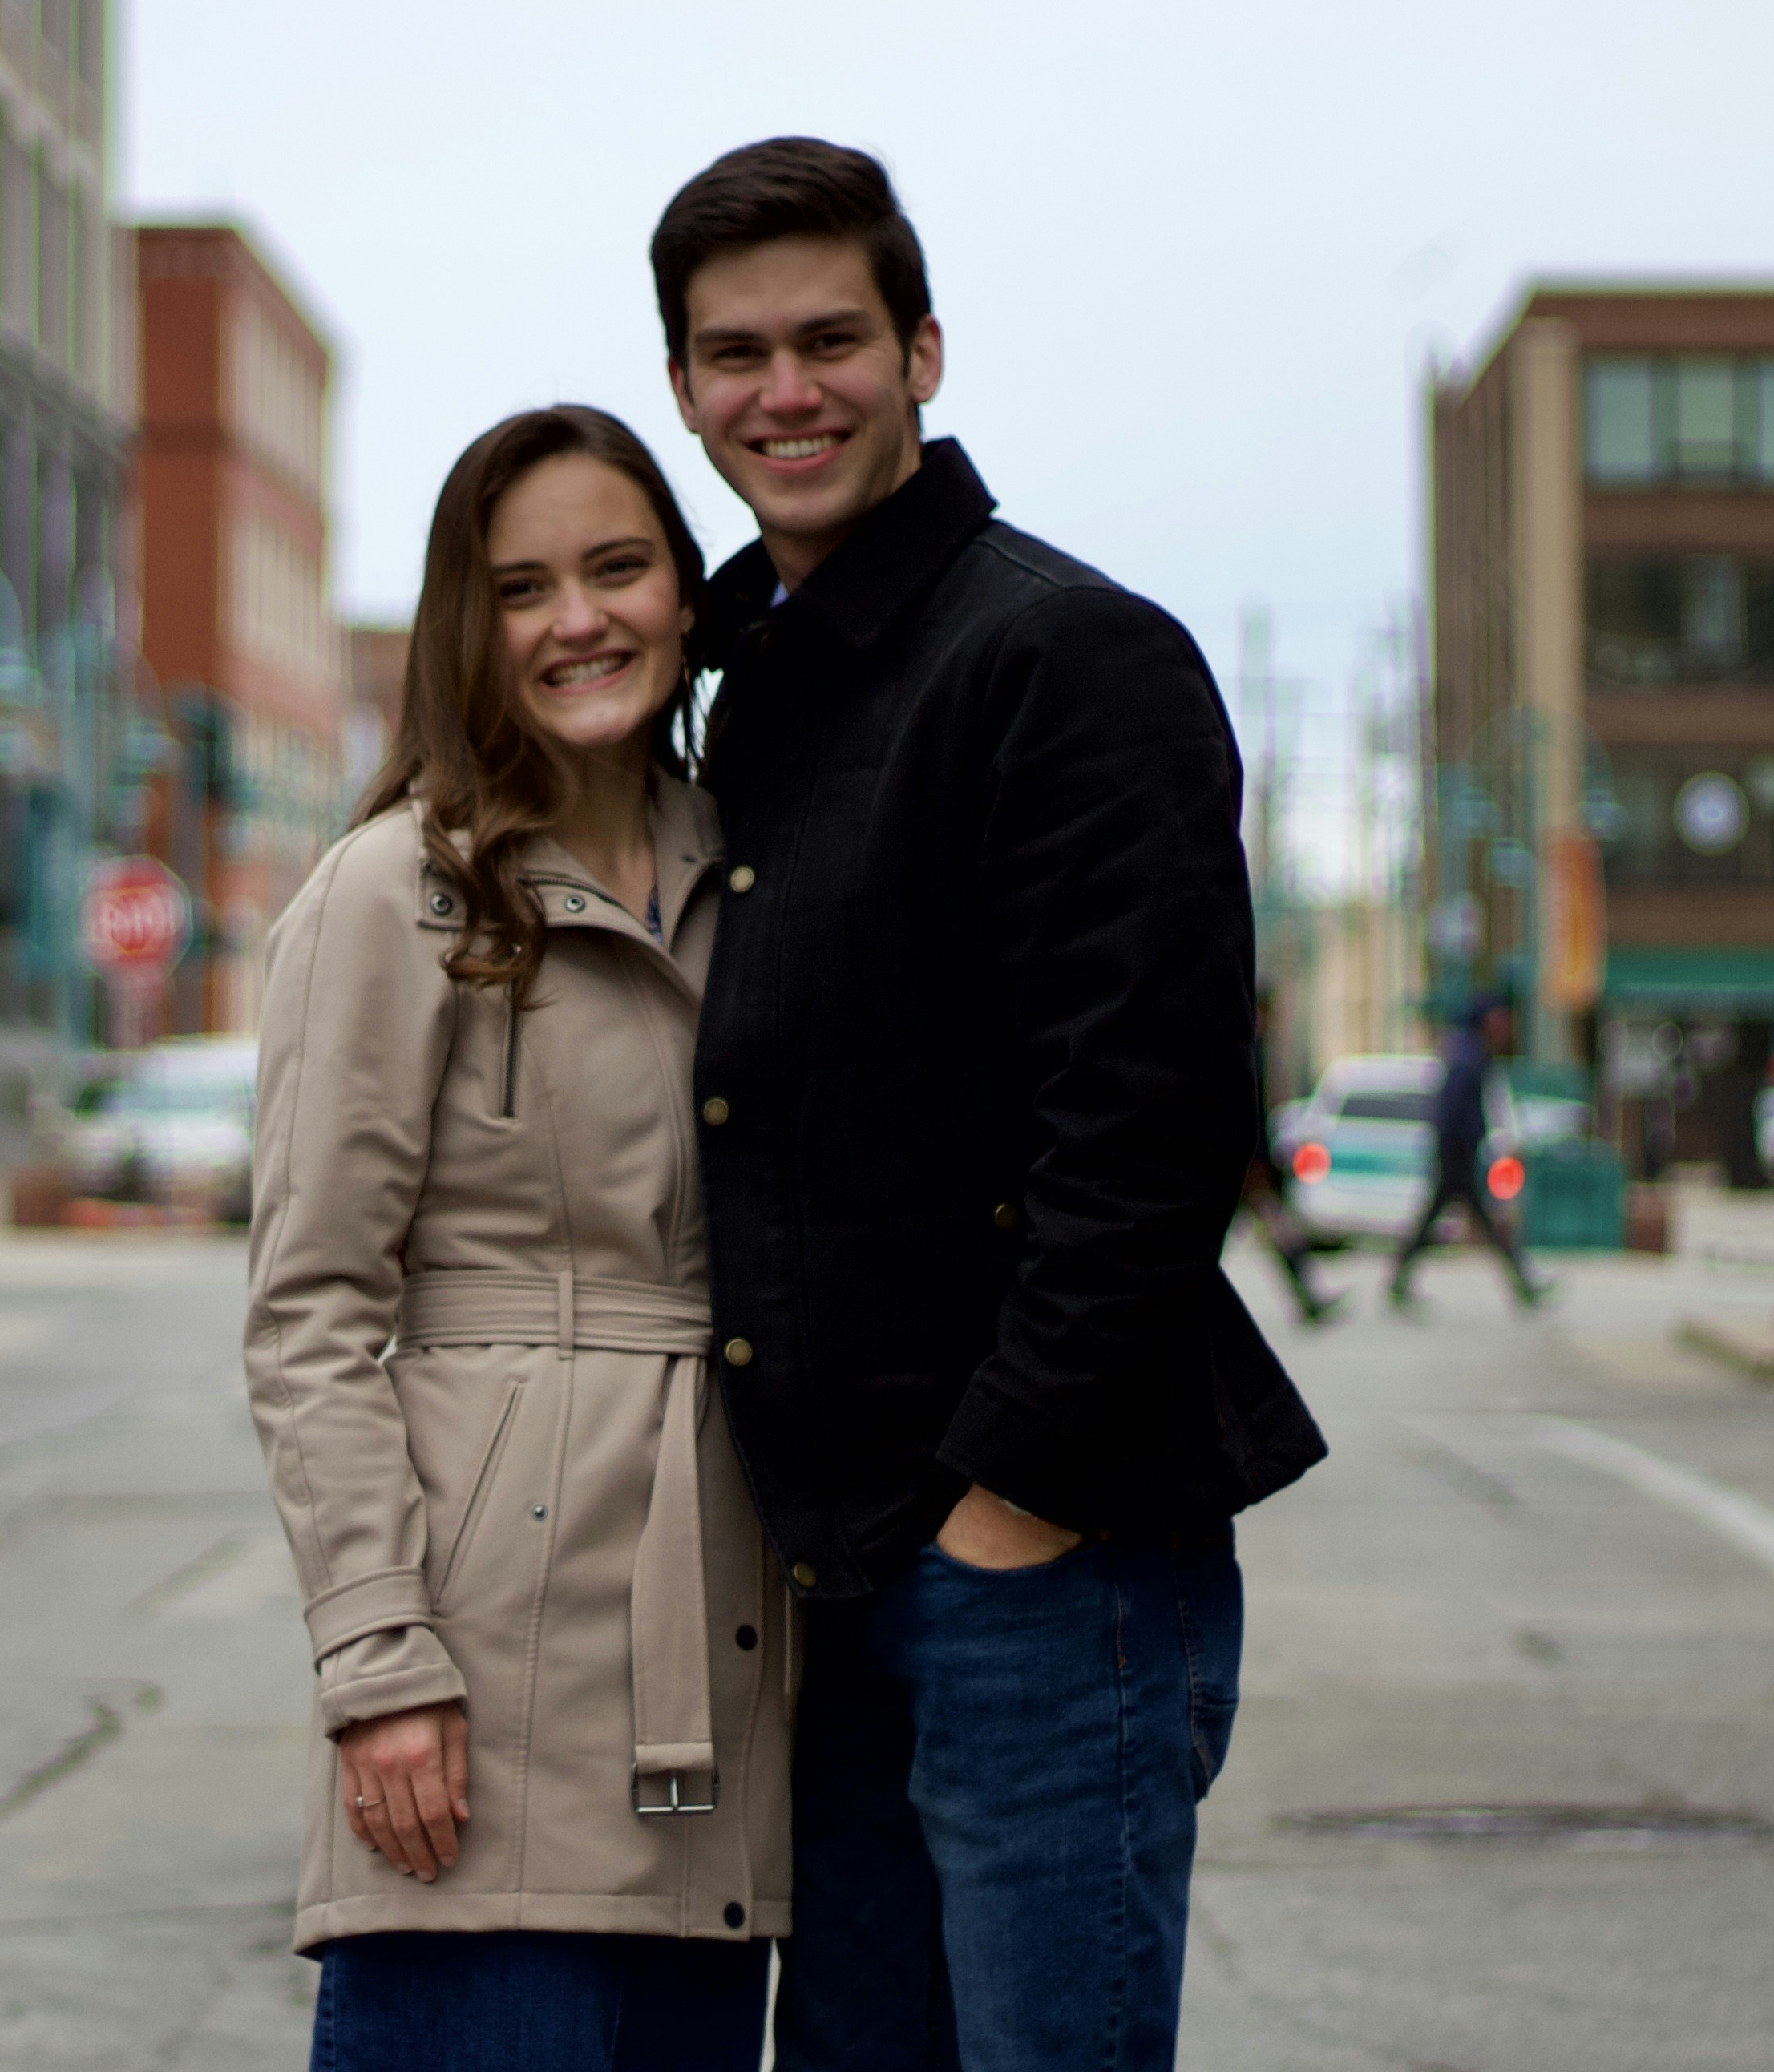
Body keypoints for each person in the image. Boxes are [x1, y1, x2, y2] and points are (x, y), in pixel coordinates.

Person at [651, 139, 1328, 2070]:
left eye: (828, 340)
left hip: (1044, 1564)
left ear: (922, 352)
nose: (783, 391)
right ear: (685, 386)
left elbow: (1153, 1111)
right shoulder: (749, 686)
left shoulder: (1063, 656)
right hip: (838, 1571)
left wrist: (1009, 1500)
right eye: (730, 354)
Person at [245, 406, 789, 2072]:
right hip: (483, 1657)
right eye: (523, 586)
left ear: (688, 594)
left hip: (732, 1631)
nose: (579, 620)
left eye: (618, 567)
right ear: (466, 629)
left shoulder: (759, 868)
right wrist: (379, 1656)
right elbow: (312, 1309)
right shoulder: (388, 891)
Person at [1387, 996, 1551, 1310]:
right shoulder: (1468, 1057)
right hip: (1457, 1154)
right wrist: (1467, 1142)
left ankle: (1399, 1282)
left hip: (1459, 1153)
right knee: (1480, 1222)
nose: (1506, 1028)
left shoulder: (1473, 1054)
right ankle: (1524, 1285)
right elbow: (1454, 1110)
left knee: (1447, 1220)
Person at [1244, 992, 1344, 1326]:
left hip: (1249, 1165)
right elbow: (1251, 1113)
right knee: (1280, 1232)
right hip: (1248, 1168)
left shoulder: (1256, 1049)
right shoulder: (1250, 1051)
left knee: (1280, 1233)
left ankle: (1309, 1297)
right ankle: (1309, 1298)